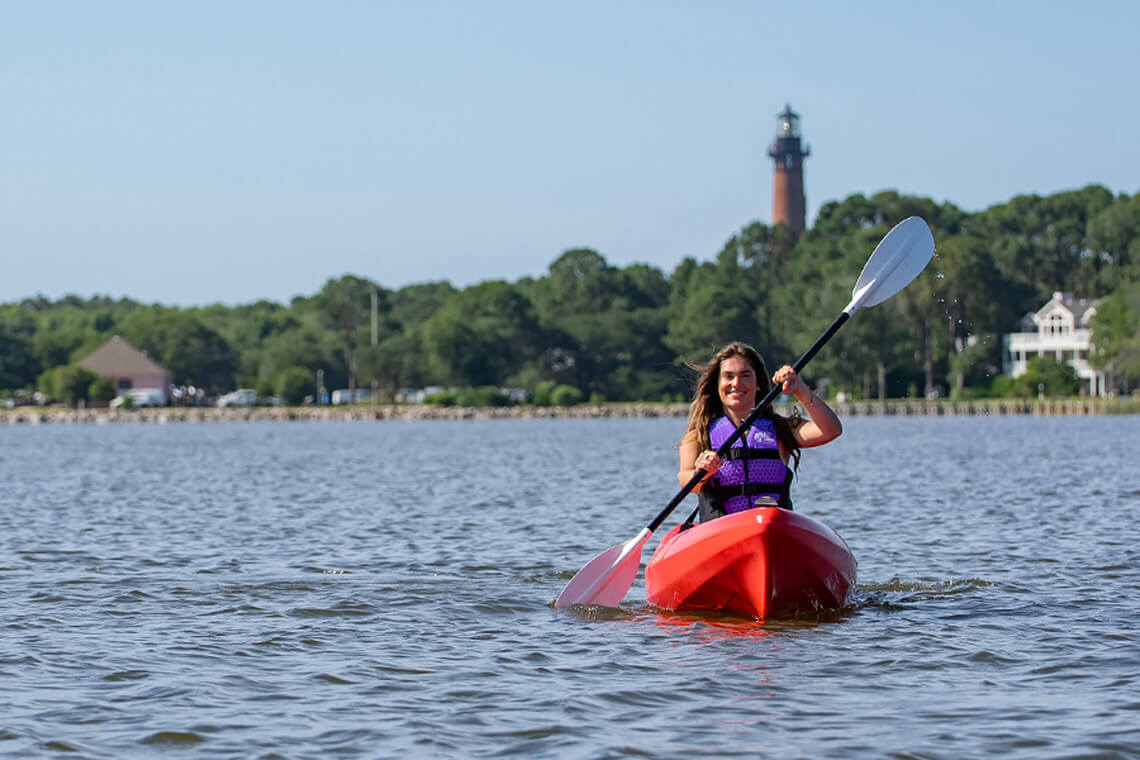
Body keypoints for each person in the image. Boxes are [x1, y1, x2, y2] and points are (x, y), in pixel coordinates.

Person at [678, 342, 842, 522]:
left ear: (757, 384)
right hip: (721, 529)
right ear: (718, 384)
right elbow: (685, 480)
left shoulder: (781, 429)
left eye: (745, 376)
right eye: (728, 376)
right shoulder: (698, 435)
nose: (736, 383)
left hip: (773, 525)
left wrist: (799, 389)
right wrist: (701, 472)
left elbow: (830, 430)